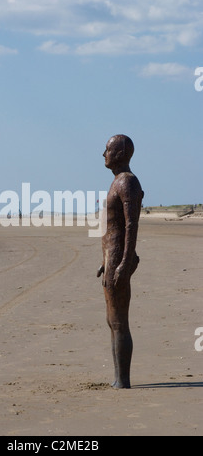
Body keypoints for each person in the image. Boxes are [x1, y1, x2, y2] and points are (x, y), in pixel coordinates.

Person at [97, 135, 144, 389]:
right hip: (111, 259)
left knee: (118, 321)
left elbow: (130, 225)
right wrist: (105, 261)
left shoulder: (127, 182)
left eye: (108, 149)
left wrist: (125, 262)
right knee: (111, 321)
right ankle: (118, 377)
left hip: (118, 259)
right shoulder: (117, 182)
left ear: (121, 153)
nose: (103, 153)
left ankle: (122, 380)